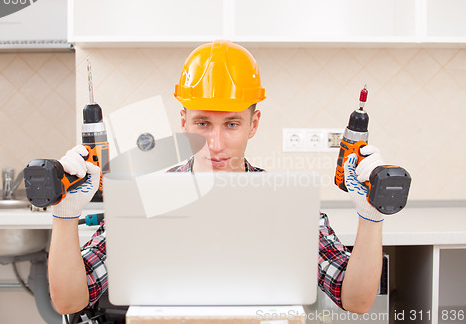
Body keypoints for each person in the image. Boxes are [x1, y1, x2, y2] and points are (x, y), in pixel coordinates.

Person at [48, 40, 385, 316]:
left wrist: (371, 217)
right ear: (183, 121)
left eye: (232, 124)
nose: (216, 144)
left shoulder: (289, 204)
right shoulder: (145, 199)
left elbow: (354, 300)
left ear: (253, 124)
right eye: (203, 124)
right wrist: (65, 215)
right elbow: (70, 301)